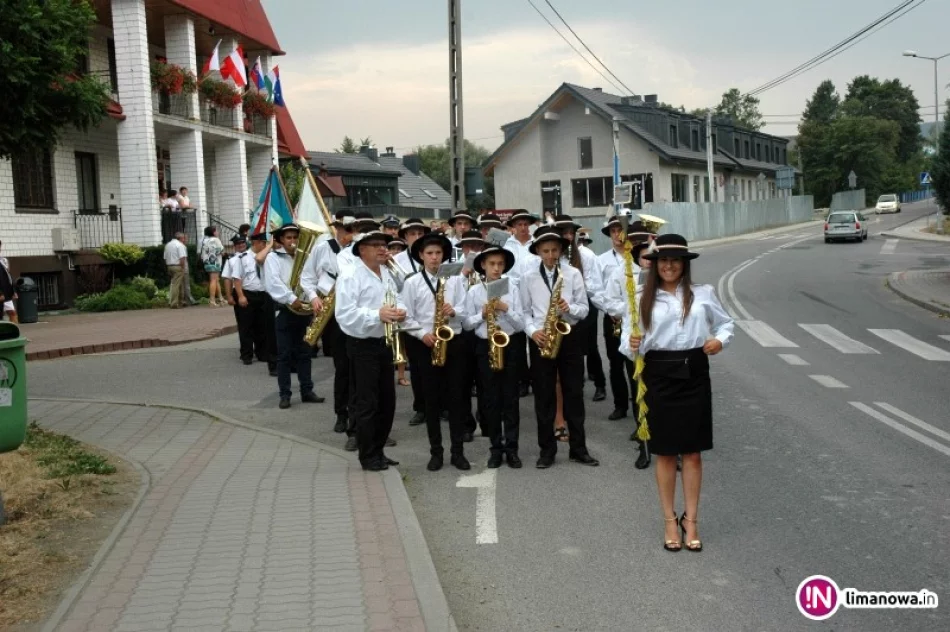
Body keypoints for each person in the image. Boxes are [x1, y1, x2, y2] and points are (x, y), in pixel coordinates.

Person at [623, 234, 733, 552]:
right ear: (655, 265)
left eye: (675, 260)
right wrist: (631, 344)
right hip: (658, 375)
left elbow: (726, 324)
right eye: (663, 260)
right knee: (667, 452)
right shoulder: (641, 296)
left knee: (694, 452)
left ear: (684, 265)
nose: (669, 266)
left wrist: (719, 341)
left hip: (694, 372)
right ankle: (670, 519)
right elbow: (628, 345)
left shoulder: (703, 293)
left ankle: (692, 520)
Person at [520, 226, 599, 469]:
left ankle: (579, 448)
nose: (551, 255)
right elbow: (524, 312)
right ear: (538, 252)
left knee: (574, 393)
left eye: (555, 250)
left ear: (561, 251)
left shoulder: (573, 273)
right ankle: (547, 451)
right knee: (544, 396)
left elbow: (584, 309)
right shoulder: (528, 277)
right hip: (542, 338)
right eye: (546, 251)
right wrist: (534, 332)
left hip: (569, 336)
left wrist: (569, 309)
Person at [335, 230, 406, 472]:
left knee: (387, 401)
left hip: (384, 342)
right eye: (375, 245)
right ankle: (367, 456)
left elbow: (395, 298)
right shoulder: (350, 275)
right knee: (367, 402)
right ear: (361, 249)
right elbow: (344, 315)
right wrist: (376, 314)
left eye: (383, 244)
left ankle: (379, 450)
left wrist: (400, 310)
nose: (382, 248)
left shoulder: (386, 272)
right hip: (361, 344)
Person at [402, 232, 471, 472]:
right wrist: (423, 334)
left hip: (453, 340)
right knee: (431, 400)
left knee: (456, 399)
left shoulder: (453, 279)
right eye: (429, 254)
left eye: (438, 253)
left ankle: (458, 452)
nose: (434, 258)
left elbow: (466, 310)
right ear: (421, 256)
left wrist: (455, 311)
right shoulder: (412, 283)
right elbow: (405, 316)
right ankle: (436, 452)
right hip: (427, 343)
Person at [463, 246, 524, 468]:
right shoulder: (474, 292)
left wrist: (504, 308)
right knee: (491, 399)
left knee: (511, 399)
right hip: (484, 346)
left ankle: (513, 448)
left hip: (509, 344)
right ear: (483, 266)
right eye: (492, 264)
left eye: (500, 264)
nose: (497, 268)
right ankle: (495, 448)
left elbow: (521, 324)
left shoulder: (513, 288)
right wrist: (482, 314)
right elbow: (466, 324)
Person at [300, 210, 357, 435]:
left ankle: (358, 415)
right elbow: (306, 277)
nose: (347, 233)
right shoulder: (323, 248)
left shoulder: (360, 250)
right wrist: (314, 298)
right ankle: (341, 414)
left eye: (351, 229)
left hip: (354, 310)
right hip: (331, 312)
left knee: (358, 368)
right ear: (336, 228)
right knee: (342, 367)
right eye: (344, 229)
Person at [263, 223, 326, 409]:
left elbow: (311, 279)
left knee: (305, 352)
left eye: (295, 238)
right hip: (284, 310)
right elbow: (273, 283)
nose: (292, 241)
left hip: (303, 311)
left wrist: (313, 299)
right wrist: (291, 298)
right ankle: (285, 394)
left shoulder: (305, 257)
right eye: (288, 238)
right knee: (284, 355)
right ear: (281, 240)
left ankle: (307, 391)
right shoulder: (273, 258)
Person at [552, 215, 607, 403]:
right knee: (567, 348)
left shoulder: (585, 255)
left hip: (586, 305)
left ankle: (600, 384)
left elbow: (594, 284)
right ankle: (575, 386)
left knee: (590, 346)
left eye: (571, 233)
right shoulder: (553, 254)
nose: (568, 236)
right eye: (564, 232)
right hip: (562, 308)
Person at [394, 217, 431, 427]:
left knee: (438, 366)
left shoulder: (436, 256)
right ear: (405, 237)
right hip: (411, 318)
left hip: (432, 317)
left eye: (420, 234)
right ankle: (420, 407)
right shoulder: (397, 259)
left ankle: (439, 405)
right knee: (416, 368)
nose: (417, 237)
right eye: (412, 234)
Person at [503, 210, 538, 399]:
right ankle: (523, 380)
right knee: (517, 341)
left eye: (526, 224)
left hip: (533, 293)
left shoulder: (536, 243)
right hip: (513, 292)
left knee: (534, 335)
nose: (523, 228)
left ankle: (535, 377)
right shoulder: (507, 245)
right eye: (519, 224)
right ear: (513, 226)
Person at [222, 235, 269, 366]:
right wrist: (240, 296)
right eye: (264, 243)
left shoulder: (266, 256)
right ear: (256, 242)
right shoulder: (241, 259)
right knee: (246, 326)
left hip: (262, 293)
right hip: (247, 294)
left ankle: (262, 353)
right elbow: (236, 278)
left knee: (261, 326)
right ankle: (246, 354)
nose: (265, 245)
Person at [388, 238, 411, 388]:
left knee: (401, 343)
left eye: (399, 248)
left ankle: (401, 375)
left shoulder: (399, 264)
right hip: (389, 304)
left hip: (402, 303)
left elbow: (403, 283)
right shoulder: (387, 266)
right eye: (393, 248)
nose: (396, 251)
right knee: (390, 342)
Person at [199, 226, 225, 307]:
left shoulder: (204, 240)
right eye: (216, 231)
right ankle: (212, 301)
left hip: (207, 262)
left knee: (216, 280)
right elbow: (221, 251)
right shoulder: (216, 240)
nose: (217, 232)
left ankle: (221, 298)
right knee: (214, 280)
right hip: (215, 263)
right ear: (213, 232)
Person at [164, 232, 188, 308]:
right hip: (177, 266)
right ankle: (174, 303)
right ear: (180, 238)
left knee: (178, 284)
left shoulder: (168, 245)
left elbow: (165, 258)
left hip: (169, 266)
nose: (184, 240)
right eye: (183, 238)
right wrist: (183, 268)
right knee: (176, 285)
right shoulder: (180, 245)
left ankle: (181, 301)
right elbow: (182, 258)